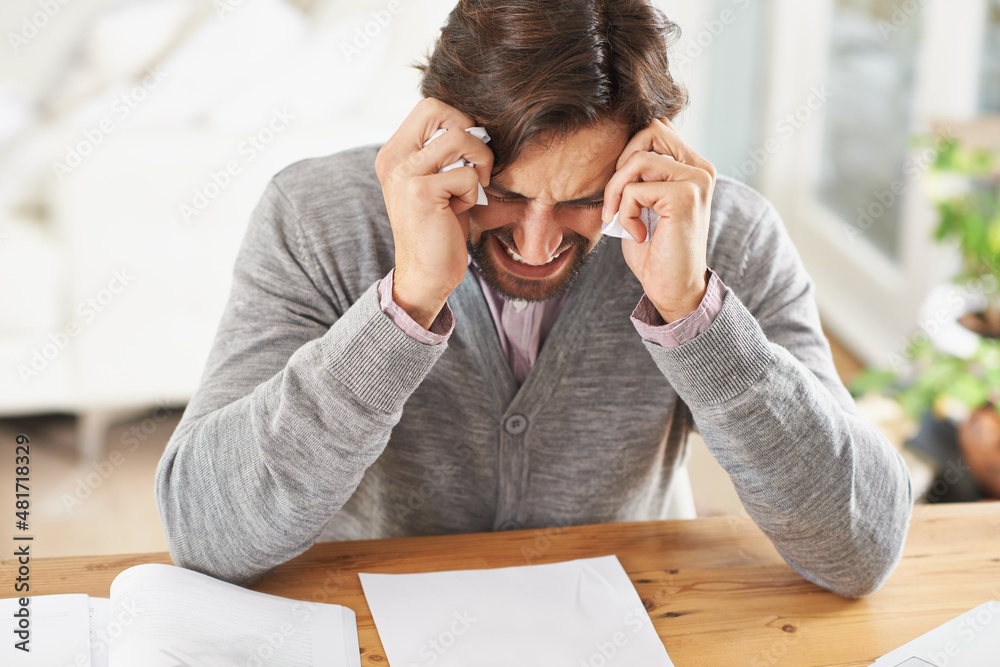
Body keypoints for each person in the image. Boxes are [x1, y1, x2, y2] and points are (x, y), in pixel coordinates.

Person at [155, 0, 913, 598]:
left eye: (586, 199)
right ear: (441, 135)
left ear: (647, 151)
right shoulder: (316, 216)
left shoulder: (725, 235)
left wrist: (692, 312)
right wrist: (406, 301)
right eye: (506, 195)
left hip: (632, 624)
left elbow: (861, 548)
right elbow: (203, 528)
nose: (539, 242)